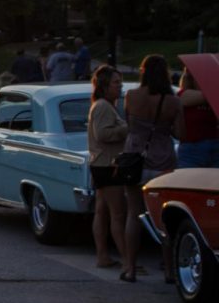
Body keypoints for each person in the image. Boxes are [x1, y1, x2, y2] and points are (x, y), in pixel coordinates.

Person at [120, 55, 184, 283]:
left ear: (143, 71)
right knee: (164, 219)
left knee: (133, 214)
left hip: (135, 161)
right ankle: (168, 270)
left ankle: (130, 269)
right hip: (163, 162)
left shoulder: (132, 96)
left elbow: (129, 125)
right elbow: (179, 133)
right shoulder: (173, 101)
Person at [87, 65, 128, 271]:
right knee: (118, 214)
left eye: (120, 82)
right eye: (115, 82)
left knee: (102, 212)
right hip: (107, 164)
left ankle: (103, 255)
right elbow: (103, 134)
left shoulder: (103, 105)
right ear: (104, 86)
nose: (120, 87)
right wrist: (125, 130)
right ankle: (127, 259)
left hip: (100, 163)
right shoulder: (103, 106)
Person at [176, 66, 219, 168]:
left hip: (216, 148)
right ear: (191, 78)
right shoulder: (184, 94)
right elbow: (184, 100)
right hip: (191, 150)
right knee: (187, 183)